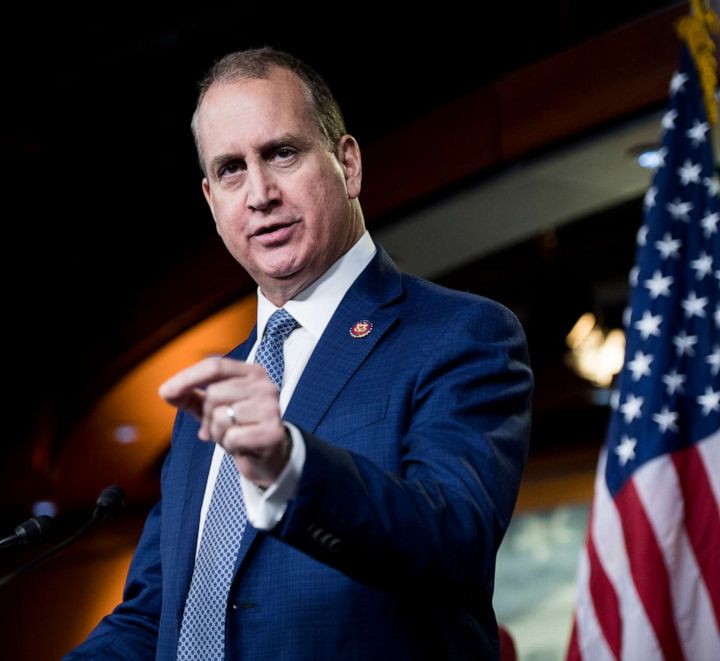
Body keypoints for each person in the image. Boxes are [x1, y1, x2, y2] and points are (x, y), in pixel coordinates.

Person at [66, 47, 532, 660]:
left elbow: (451, 539)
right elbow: (157, 616)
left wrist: (289, 466)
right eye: (231, 169)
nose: (258, 193)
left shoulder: (461, 335)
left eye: (281, 153)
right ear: (211, 201)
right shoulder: (207, 402)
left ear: (348, 164)